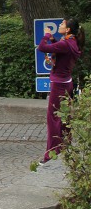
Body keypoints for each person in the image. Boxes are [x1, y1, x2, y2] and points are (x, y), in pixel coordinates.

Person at [37, 18, 83, 166]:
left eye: (62, 25)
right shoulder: (72, 42)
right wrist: (53, 39)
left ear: (68, 30)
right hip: (67, 83)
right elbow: (61, 50)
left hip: (58, 85)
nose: (60, 26)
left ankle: (51, 153)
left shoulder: (65, 43)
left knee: (53, 119)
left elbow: (42, 48)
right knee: (64, 117)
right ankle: (65, 145)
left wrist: (45, 36)